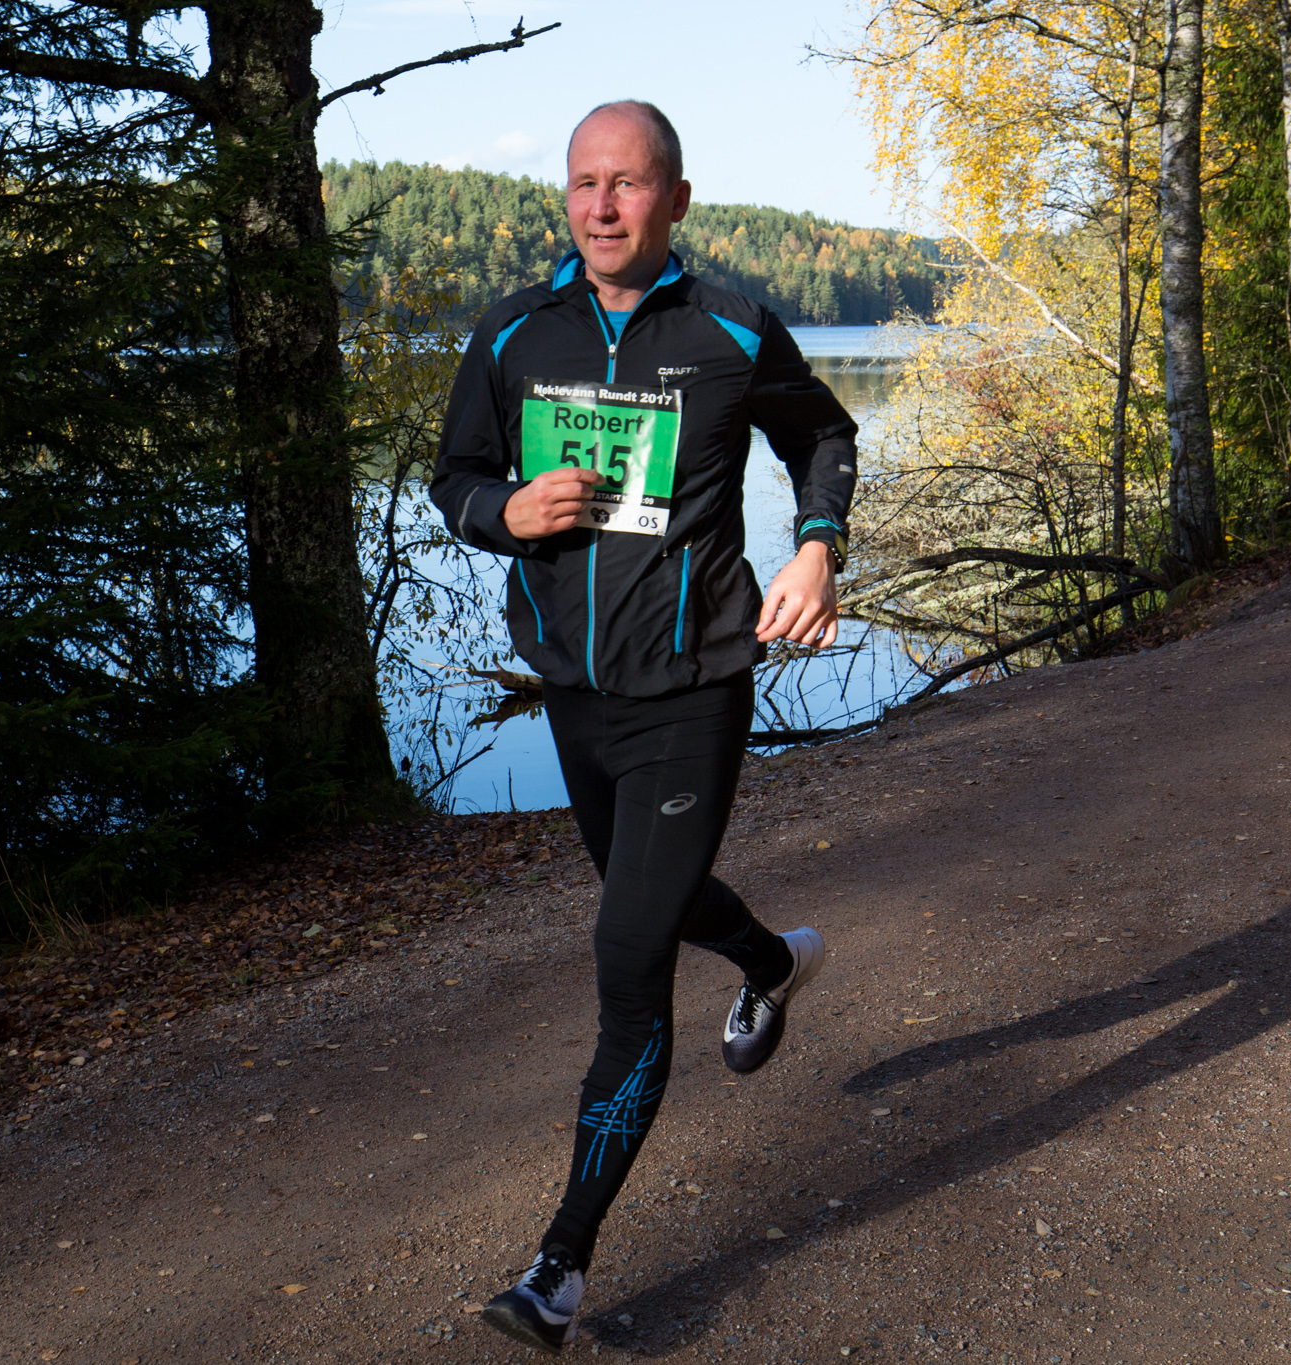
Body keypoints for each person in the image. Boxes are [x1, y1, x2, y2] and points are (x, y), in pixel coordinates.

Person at [430, 100, 855, 1353]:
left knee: (626, 958)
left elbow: (820, 435)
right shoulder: (514, 332)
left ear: (673, 198)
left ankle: (557, 1268)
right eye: (582, 183)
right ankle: (771, 962)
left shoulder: (730, 328)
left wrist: (817, 547)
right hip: (574, 688)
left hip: (693, 686)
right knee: (644, 896)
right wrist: (503, 513)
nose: (600, 206)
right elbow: (454, 478)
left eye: (624, 184)